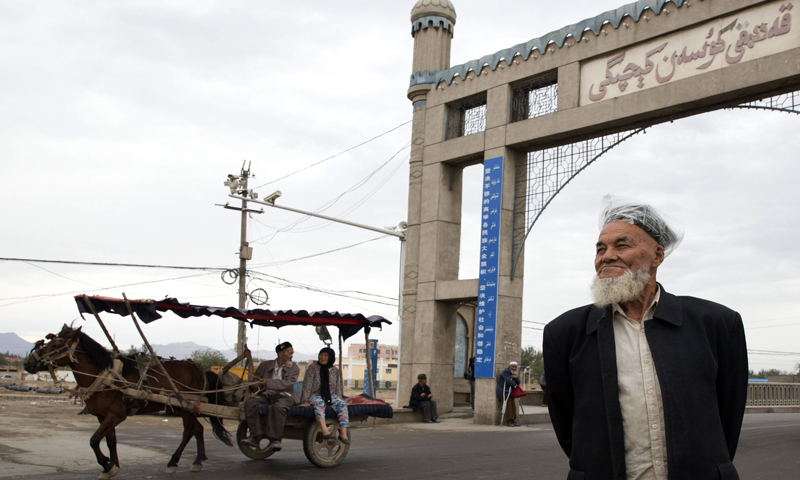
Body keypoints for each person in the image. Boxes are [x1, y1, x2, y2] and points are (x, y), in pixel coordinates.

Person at [543, 195, 748, 480]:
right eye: (600, 249)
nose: (607, 256)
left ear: (657, 255)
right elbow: (567, 424)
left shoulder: (717, 324)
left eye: (621, 245)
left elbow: (729, 413)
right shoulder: (565, 332)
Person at [241, 341, 300, 452]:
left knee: (278, 407)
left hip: (285, 396)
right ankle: (255, 436)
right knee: (250, 403)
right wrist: (255, 384)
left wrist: (268, 383)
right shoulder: (264, 365)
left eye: (292, 353)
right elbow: (256, 381)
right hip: (266, 395)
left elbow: (288, 384)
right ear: (281, 354)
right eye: (290, 353)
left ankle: (276, 439)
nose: (292, 356)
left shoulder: (294, 368)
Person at [298, 347, 350, 444]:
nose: (322, 357)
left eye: (326, 355)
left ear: (330, 357)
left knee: (342, 404)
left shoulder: (335, 370)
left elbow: (338, 387)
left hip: (331, 396)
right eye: (321, 355)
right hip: (315, 395)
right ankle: (324, 430)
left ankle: (343, 434)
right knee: (320, 403)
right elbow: (307, 385)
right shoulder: (313, 367)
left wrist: (338, 399)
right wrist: (305, 400)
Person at [496, 361, 520, 427]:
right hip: (504, 392)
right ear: (509, 366)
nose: (514, 368)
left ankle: (513, 420)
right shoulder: (506, 371)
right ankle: (509, 421)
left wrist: (515, 378)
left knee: (513, 406)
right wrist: (513, 381)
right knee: (508, 406)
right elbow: (509, 382)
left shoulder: (513, 373)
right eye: (513, 366)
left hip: (509, 392)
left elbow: (518, 381)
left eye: (515, 367)